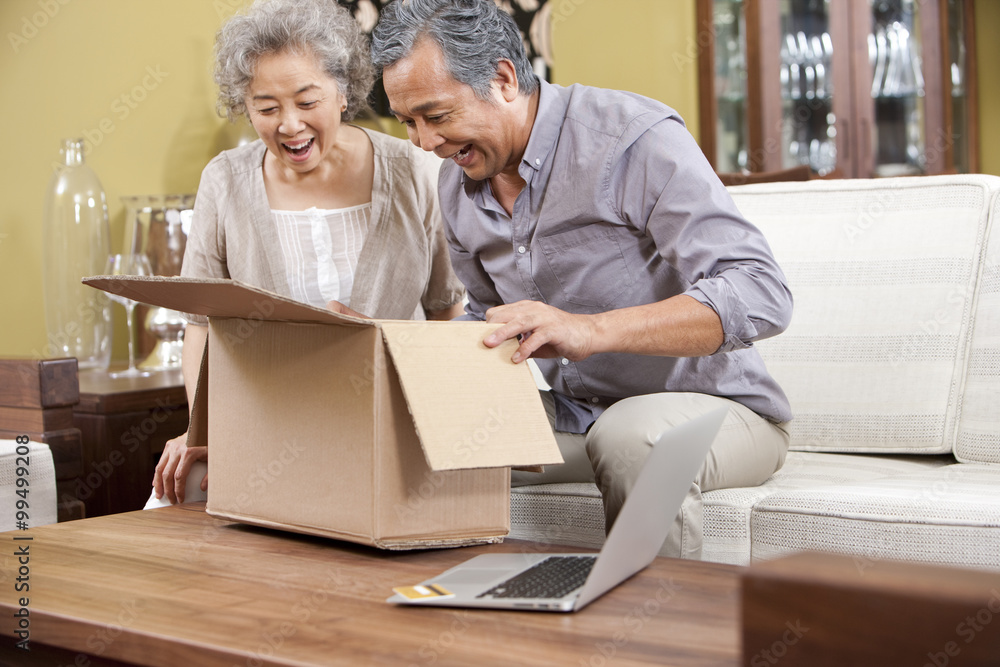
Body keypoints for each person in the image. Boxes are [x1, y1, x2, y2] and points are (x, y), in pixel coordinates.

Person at [370, 0, 793, 559]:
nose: (425, 143)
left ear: (502, 79)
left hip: (717, 411)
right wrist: (386, 346)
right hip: (579, 416)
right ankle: (464, 621)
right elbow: (485, 318)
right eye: (408, 123)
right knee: (417, 434)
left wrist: (591, 331)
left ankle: (649, 640)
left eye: (437, 115)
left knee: (631, 436)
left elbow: (761, 291)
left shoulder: (630, 139)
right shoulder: (460, 180)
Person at [150, 0, 465, 507]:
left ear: (342, 92)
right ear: (244, 107)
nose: (289, 125)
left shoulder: (415, 171)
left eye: (306, 101)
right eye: (267, 108)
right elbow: (201, 325)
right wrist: (201, 427)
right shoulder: (225, 181)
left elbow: (448, 311)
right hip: (270, 422)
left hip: (391, 420)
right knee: (186, 483)